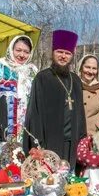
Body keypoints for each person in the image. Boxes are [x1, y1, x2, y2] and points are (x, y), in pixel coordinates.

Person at [23, 30, 86, 167]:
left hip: (72, 142)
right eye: (60, 52)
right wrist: (37, 143)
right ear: (53, 52)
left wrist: (82, 139)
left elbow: (80, 113)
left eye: (67, 53)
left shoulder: (75, 80)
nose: (63, 56)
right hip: (50, 141)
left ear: (72, 56)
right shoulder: (42, 78)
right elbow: (35, 113)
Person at [0, 35, 38, 163]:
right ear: (11, 49)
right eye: (18, 50)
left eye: (26, 52)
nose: (22, 55)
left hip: (24, 136)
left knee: (21, 174)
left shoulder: (33, 73)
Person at [78, 54, 99, 135]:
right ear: (81, 67)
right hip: (73, 134)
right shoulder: (72, 85)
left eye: (94, 68)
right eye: (87, 67)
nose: (90, 71)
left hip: (93, 135)